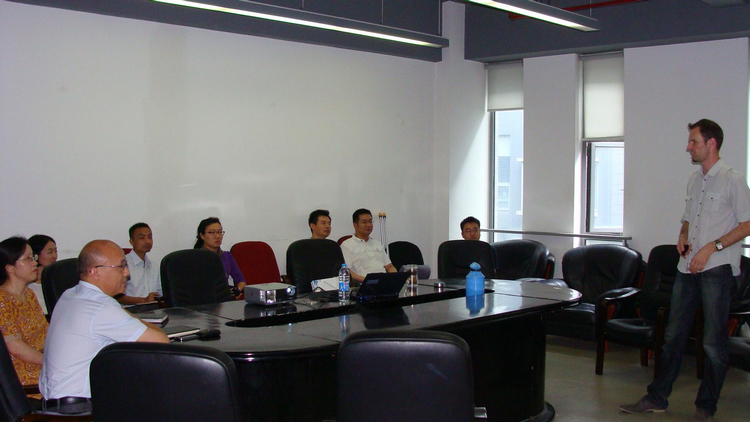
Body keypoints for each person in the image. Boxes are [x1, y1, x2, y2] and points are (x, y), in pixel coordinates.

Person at [620, 119, 750, 421]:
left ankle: (705, 407)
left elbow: (747, 225)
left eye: (694, 142)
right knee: (673, 336)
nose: (688, 147)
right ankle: (657, 398)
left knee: (713, 343)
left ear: (711, 143)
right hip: (686, 269)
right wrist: (682, 235)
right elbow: (688, 219)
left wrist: (712, 248)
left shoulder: (733, 180)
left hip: (716, 270)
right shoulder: (694, 180)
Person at [39, 240, 169, 414]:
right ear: (95, 271)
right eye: (121, 266)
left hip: (55, 403)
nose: (127, 273)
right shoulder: (101, 307)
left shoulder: (70, 294)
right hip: (80, 409)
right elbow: (161, 342)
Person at [0, 237, 48, 400]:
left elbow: (45, 330)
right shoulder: (2, 300)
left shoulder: (29, 294)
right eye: (28, 259)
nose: (35, 263)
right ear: (10, 267)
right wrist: (51, 361)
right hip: (23, 374)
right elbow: (15, 347)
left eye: (33, 257)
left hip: (43, 363)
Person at [340, 208, 396, 284]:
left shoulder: (377, 243)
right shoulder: (347, 245)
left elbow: (389, 266)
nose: (368, 225)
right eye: (364, 222)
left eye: (370, 221)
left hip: (384, 283)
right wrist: (367, 281)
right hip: (364, 284)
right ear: (355, 225)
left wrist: (395, 278)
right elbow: (347, 271)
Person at [194, 217, 246, 293]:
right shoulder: (195, 258)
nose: (217, 236)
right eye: (212, 232)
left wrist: (237, 290)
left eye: (220, 232)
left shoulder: (227, 256)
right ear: (202, 236)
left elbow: (241, 280)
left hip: (224, 297)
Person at [116, 223, 162, 306]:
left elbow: (161, 292)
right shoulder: (123, 264)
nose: (147, 241)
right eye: (142, 238)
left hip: (153, 309)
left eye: (150, 237)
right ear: (131, 242)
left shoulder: (154, 266)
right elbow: (117, 296)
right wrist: (143, 300)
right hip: (130, 310)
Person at [28, 234, 57, 313]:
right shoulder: (29, 286)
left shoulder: (57, 281)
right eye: (50, 252)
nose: (54, 256)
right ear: (35, 255)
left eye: (55, 251)